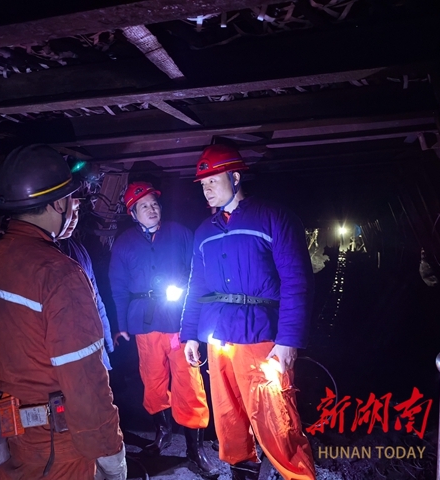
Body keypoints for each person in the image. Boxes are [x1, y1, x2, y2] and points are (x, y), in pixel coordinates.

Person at [0, 145, 126, 480]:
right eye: (70, 199)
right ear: (58, 203)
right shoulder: (59, 274)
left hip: (13, 440)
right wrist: (111, 454)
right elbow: (84, 380)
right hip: (62, 446)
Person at [181, 144, 316, 480]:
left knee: (276, 419)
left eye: (213, 180)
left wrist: (288, 340)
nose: (207, 189)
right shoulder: (204, 232)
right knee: (229, 419)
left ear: (236, 177)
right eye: (203, 184)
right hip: (218, 339)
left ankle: (297, 474)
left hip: (262, 338)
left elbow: (296, 281)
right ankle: (242, 471)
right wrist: (190, 334)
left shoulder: (274, 218)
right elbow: (196, 286)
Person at [108, 181, 216, 476]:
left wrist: (200, 317)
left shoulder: (180, 233)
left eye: (154, 203)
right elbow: (118, 286)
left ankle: (195, 449)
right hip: (144, 323)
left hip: (180, 322)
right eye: (143, 206)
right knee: (153, 381)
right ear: (133, 213)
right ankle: (163, 433)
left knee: (189, 382)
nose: (151, 209)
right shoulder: (124, 243)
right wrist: (121, 324)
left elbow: (199, 274)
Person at [59, 198, 114, 370]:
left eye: (77, 211)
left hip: (94, 349)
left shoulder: (78, 250)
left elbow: (96, 299)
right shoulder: (41, 256)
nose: (73, 218)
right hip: (67, 356)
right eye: (69, 211)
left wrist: (107, 341)